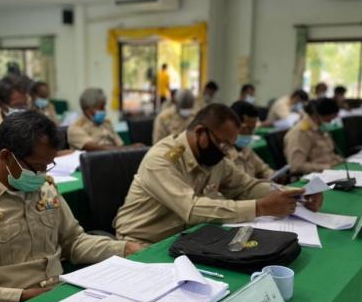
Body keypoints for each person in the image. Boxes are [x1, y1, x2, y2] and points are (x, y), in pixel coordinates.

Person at [0, 111, 142, 302]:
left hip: (59, 299)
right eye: (35, 167)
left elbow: (73, 242)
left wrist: (125, 248)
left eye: (47, 166)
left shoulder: (45, 189)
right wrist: (19, 296)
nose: (41, 175)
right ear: (6, 156)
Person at [114, 104, 323, 244]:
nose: (226, 151)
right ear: (200, 133)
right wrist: (260, 207)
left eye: (229, 145)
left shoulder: (213, 157)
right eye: (223, 144)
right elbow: (192, 209)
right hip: (140, 242)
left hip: (182, 237)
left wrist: (294, 194)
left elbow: (247, 186)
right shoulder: (161, 160)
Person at [284, 98, 343, 174]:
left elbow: (328, 153)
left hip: (329, 172)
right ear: (316, 115)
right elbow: (296, 166)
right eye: (328, 119)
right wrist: (327, 167)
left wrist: (338, 160)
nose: (330, 122)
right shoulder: (300, 133)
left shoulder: (320, 128)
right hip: (312, 177)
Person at [231, 101, 274, 179]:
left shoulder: (246, 149)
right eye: (246, 128)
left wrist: (274, 176)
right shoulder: (223, 156)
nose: (250, 133)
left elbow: (263, 169)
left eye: (252, 129)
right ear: (232, 125)